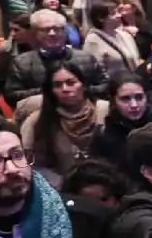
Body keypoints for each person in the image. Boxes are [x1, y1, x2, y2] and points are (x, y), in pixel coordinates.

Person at [20, 59, 109, 189]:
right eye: (57, 85)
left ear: (83, 85)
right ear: (51, 90)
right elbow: (33, 166)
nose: (65, 89)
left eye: (71, 83)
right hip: (62, 189)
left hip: (107, 185)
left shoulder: (104, 111)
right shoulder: (38, 121)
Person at [83, 0, 141, 75]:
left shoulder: (126, 35)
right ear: (100, 18)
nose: (119, 15)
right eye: (113, 13)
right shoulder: (92, 41)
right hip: (112, 85)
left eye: (118, 12)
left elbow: (137, 60)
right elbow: (93, 71)